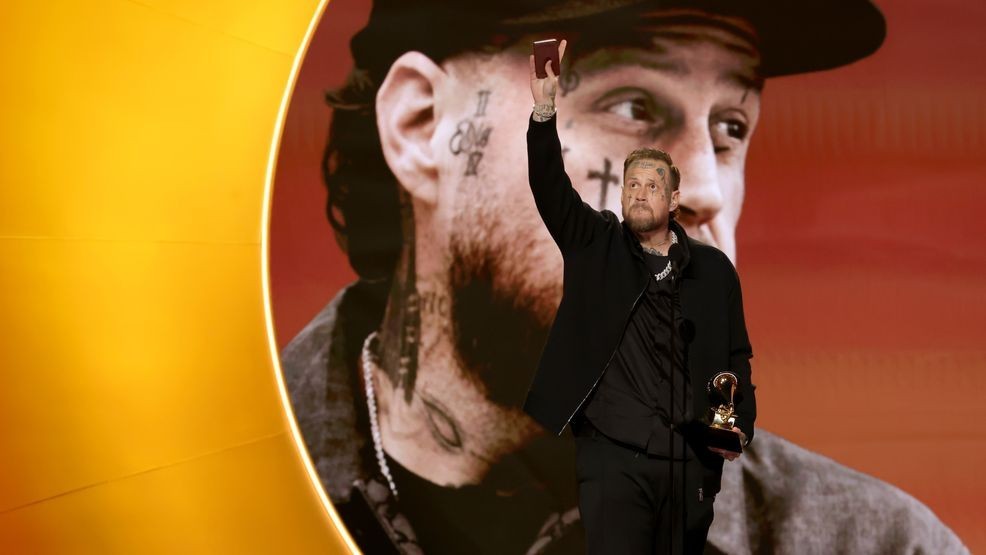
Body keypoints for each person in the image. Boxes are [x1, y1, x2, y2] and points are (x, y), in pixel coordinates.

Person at [281, 1, 968, 553]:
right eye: (634, 106)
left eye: (730, 125)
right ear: (423, 125)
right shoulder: (197, 497)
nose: (705, 187)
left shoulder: (877, 544)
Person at [524, 38, 755, 553]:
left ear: (674, 198)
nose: (638, 195)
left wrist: (739, 429)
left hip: (688, 458)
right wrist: (544, 111)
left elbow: (735, 360)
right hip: (613, 456)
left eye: (651, 186)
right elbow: (549, 186)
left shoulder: (713, 270)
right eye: (631, 186)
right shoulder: (595, 245)